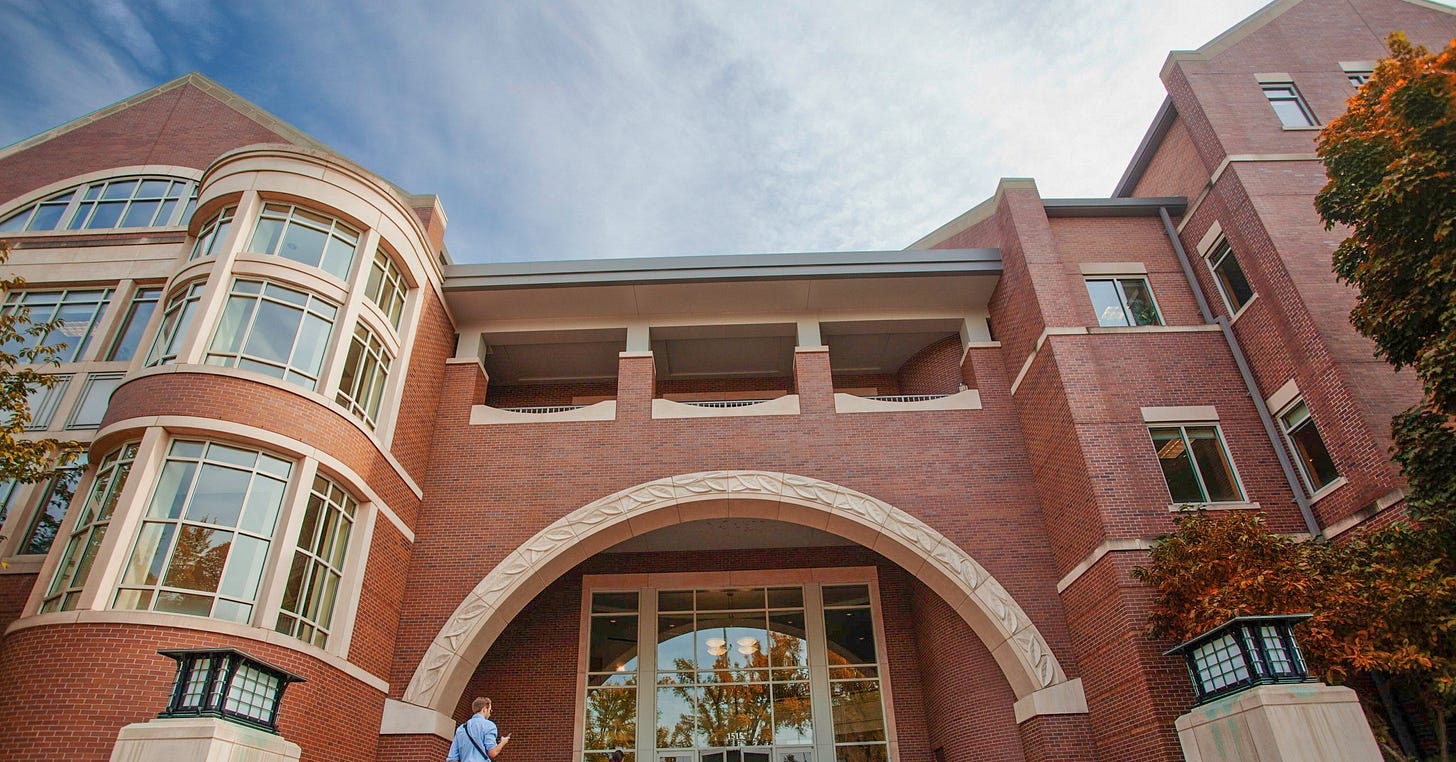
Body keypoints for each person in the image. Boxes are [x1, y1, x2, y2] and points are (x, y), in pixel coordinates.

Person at [445, 696, 511, 761]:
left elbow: (452, 758)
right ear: (484, 709)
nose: (490, 714)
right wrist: (503, 742)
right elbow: (492, 753)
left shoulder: (461, 728)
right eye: (490, 710)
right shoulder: (489, 725)